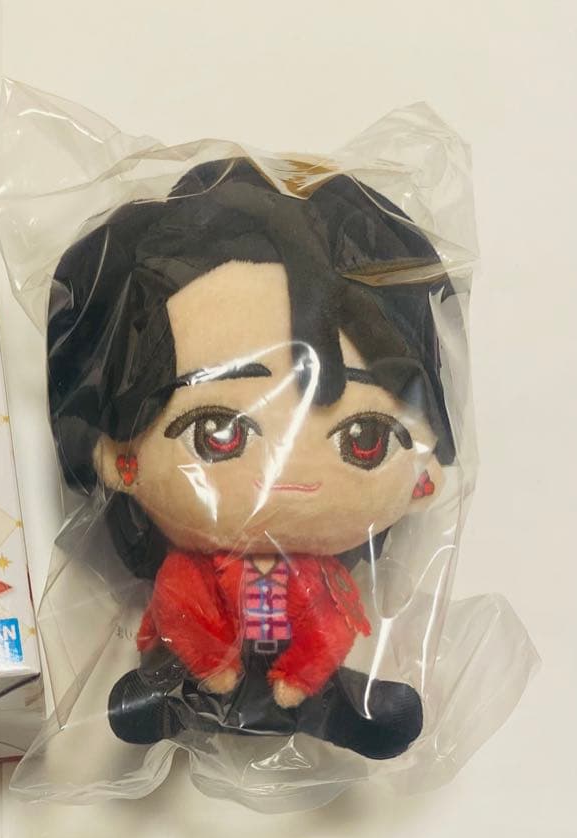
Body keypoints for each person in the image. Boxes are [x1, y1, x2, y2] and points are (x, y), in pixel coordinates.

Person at [47, 159, 455, 758]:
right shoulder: (190, 568)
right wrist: (213, 666)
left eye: (363, 438)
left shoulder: (323, 579)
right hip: (206, 664)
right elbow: (182, 608)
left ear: (423, 479)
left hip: (296, 672)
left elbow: (329, 626)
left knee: (322, 673)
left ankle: (327, 704)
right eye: (217, 433)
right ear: (122, 463)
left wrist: (302, 675)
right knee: (177, 658)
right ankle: (184, 693)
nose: (286, 475)